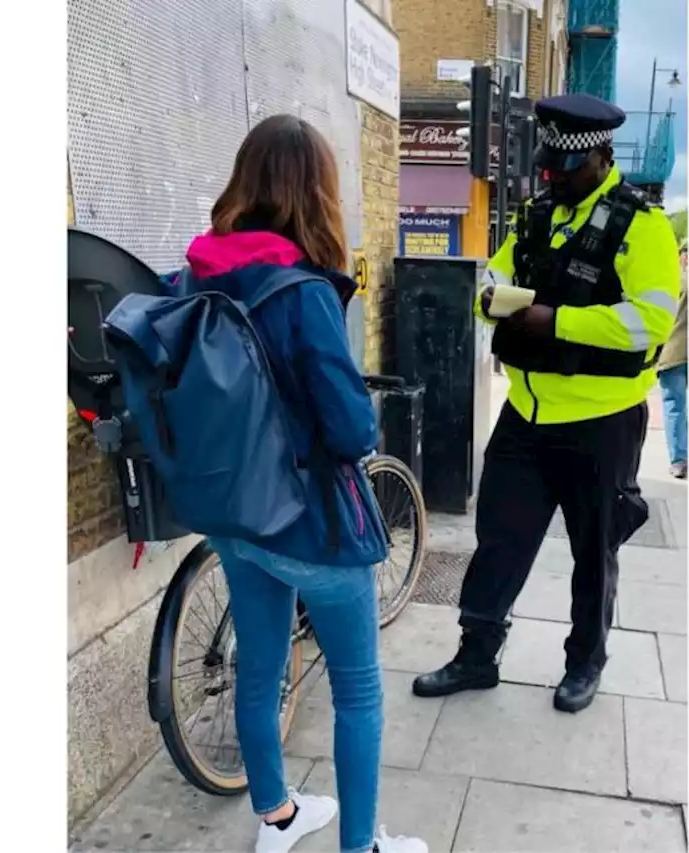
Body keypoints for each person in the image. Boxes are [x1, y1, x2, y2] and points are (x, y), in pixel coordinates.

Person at [178, 114, 428, 853]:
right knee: (357, 689)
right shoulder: (302, 289)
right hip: (311, 524)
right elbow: (350, 430)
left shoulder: (199, 274)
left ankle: (278, 817)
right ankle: (360, 845)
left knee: (260, 664)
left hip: (234, 515)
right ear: (313, 191)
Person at [411, 93, 682, 714]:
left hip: (602, 423)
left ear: (603, 158)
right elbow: (497, 272)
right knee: (498, 540)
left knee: (594, 551)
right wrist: (491, 294)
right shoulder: (540, 215)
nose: (555, 180)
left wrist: (553, 321)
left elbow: (651, 322)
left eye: (568, 171)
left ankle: (584, 664)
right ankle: (477, 654)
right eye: (549, 169)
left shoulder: (643, 228)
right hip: (527, 416)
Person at [656, 240, 688, 478]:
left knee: (674, 406)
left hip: (672, 353)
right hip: (676, 352)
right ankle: (680, 458)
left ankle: (679, 460)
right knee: (676, 406)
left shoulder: (669, 279)